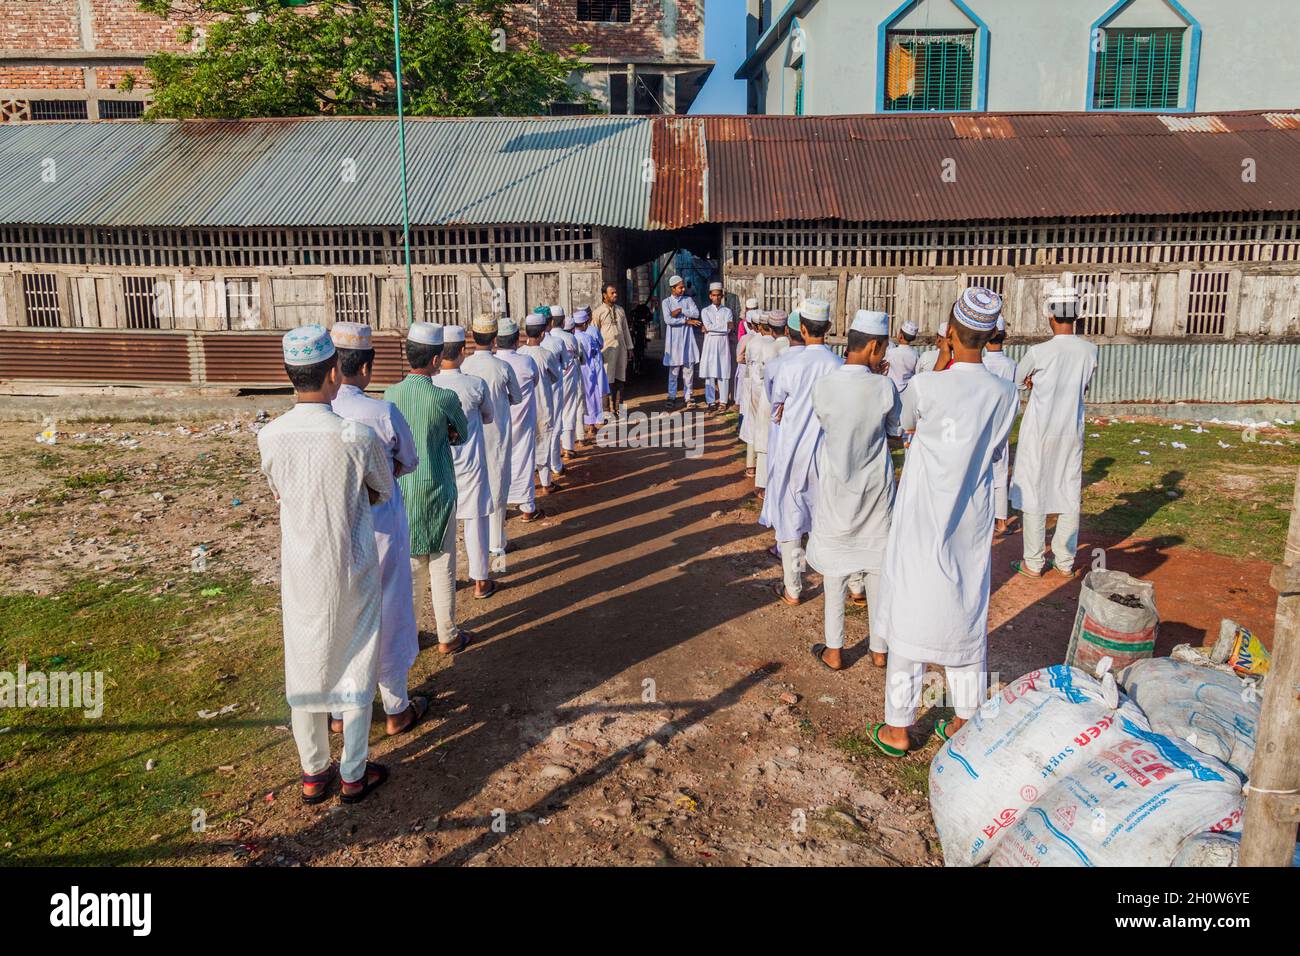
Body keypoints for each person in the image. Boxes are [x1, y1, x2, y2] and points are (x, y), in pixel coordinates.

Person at [870, 288, 1019, 757]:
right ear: (993, 334)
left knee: (912, 606)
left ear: (950, 332)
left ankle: (898, 726)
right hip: (968, 516)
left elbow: (903, 424)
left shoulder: (928, 385)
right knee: (964, 602)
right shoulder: (1004, 393)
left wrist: (940, 360)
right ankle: (965, 716)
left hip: (921, 513)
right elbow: (993, 447)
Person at [258, 325, 392, 805]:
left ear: (290, 375)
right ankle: (353, 772)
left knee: (306, 661)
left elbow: (281, 492)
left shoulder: (270, 437)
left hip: (301, 569)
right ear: (335, 372)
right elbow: (382, 486)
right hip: (353, 564)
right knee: (357, 660)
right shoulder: (355, 434)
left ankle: (313, 771)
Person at [325, 322, 428, 740]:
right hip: (380, 527)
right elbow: (409, 459)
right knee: (387, 609)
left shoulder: (317, 417)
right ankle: (396, 708)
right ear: (366, 368)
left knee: (340, 612)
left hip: (331, 533)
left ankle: (339, 710)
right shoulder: (382, 412)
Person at [807, 310, 901, 673]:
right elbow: (894, 430)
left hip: (836, 488)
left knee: (835, 570)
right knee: (878, 569)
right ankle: (879, 649)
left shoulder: (825, 386)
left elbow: (827, 425)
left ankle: (835, 649)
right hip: (876, 490)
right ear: (875, 346)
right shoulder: (884, 388)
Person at [385, 322, 475, 656]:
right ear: (437, 358)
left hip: (403, 490)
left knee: (410, 565)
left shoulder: (390, 395)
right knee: (442, 561)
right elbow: (462, 434)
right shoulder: (444, 397)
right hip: (438, 486)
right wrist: (446, 434)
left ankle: (409, 636)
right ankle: (448, 635)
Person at [1010, 287, 1099, 577]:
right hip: (1071, 431)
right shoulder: (1090, 350)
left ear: (1050, 316)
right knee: (1068, 490)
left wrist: (1033, 384)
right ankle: (1064, 561)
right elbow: (1083, 385)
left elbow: (1018, 380)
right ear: (1077, 315)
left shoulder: (1039, 352)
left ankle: (1033, 562)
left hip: (1040, 432)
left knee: (1035, 490)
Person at [760, 299, 843, 606]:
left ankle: (793, 588)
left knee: (792, 519)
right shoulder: (837, 367)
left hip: (794, 452)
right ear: (829, 329)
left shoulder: (789, 365)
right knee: (827, 517)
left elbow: (775, 399)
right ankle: (844, 584)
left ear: (803, 329)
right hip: (826, 454)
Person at [434, 324, 496, 600]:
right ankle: (480, 580)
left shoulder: (431, 386)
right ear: (462, 351)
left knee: (442, 525)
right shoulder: (474, 384)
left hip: (439, 466)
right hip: (470, 463)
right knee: (475, 522)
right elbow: (488, 416)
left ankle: (443, 583)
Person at [463, 313, 524, 572]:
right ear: (494, 338)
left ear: (473, 336)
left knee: (474, 491)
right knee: (498, 487)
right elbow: (517, 397)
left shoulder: (465, 366)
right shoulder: (501, 367)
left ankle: (476, 554)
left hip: (471, 438)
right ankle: (497, 546)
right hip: (497, 434)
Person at [495, 316, 548, 524]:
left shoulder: (492, 363)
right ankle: (527, 508)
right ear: (517, 339)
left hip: (497, 424)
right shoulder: (526, 362)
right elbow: (535, 381)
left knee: (498, 464)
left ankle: (501, 507)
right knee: (524, 460)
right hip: (523, 419)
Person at [982, 314, 1019, 537]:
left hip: (983, 425)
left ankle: (983, 518)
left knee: (980, 472)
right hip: (1002, 425)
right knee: (1000, 472)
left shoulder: (982, 364)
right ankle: (1001, 522)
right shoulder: (1011, 365)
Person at [743, 311, 787, 498]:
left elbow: (761, 373)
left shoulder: (766, 347)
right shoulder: (789, 347)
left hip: (766, 395)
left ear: (768, 327)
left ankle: (762, 483)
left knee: (763, 437)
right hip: (785, 398)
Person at [520, 310, 563, 495]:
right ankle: (546, 483)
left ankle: (527, 485)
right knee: (543, 441)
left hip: (522, 407)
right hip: (543, 404)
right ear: (543, 333)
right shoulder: (546, 354)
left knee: (524, 445)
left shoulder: (519, 353)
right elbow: (555, 376)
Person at [541, 305, 579, 469]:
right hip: (562, 383)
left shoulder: (535, 344)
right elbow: (570, 361)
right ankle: (566, 451)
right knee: (565, 414)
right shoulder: (565, 339)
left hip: (542, 388)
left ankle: (543, 462)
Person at [661, 275, 700, 408]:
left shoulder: (688, 300)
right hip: (673, 341)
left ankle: (688, 396)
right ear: (673, 288)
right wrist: (686, 321)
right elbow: (668, 320)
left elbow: (696, 313)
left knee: (688, 369)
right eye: (680, 287)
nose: (683, 289)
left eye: (683, 287)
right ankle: (672, 396)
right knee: (674, 370)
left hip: (687, 338)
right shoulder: (666, 302)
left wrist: (682, 310)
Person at [592, 283, 632, 414]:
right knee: (606, 380)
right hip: (606, 352)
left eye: (615, 292)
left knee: (620, 378)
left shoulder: (620, 310)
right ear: (605, 296)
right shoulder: (598, 312)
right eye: (612, 293)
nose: (615, 295)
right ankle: (606, 410)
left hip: (621, 350)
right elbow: (594, 333)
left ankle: (619, 408)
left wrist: (630, 347)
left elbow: (625, 330)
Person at [573, 307, 610, 437]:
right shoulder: (590, 334)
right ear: (586, 322)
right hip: (589, 369)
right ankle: (591, 426)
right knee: (592, 397)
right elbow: (600, 345)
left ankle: (580, 429)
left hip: (576, 372)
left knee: (579, 399)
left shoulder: (571, 336)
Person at [698, 281, 734, 413]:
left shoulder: (727, 311)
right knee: (710, 373)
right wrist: (722, 327)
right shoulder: (705, 311)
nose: (717, 297)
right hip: (710, 345)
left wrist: (711, 329)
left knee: (723, 373)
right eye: (714, 295)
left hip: (723, 345)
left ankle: (723, 402)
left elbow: (729, 330)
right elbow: (707, 326)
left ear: (722, 296)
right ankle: (710, 401)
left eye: (719, 295)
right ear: (710, 296)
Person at [885, 319, 921, 394]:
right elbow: (917, 373)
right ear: (913, 338)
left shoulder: (891, 352)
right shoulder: (915, 354)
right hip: (908, 391)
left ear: (900, 335)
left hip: (892, 390)